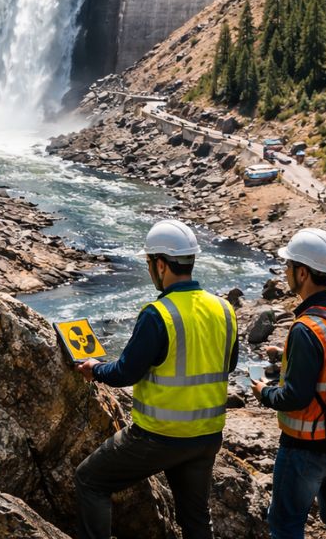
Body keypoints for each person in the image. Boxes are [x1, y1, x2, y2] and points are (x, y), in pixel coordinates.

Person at [74, 219, 238, 539]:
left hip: (158, 437)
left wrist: (95, 369)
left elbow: (125, 373)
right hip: (206, 437)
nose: (150, 270)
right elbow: (228, 365)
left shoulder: (158, 313)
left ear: (160, 264)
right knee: (195, 520)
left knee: (90, 480)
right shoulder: (224, 309)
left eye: (149, 263)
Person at [251, 228, 326, 539]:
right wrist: (286, 353)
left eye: (288, 266)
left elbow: (295, 397)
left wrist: (264, 393)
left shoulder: (306, 327)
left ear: (302, 272)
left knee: (286, 524)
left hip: (306, 448)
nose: (286, 272)